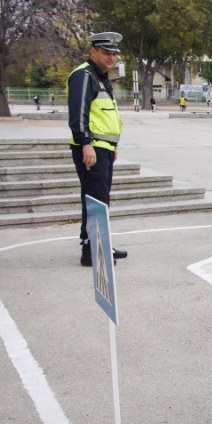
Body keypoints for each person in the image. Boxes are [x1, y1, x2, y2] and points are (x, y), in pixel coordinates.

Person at [67, 32, 127, 266]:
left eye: (114, 54)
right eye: (106, 52)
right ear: (93, 51)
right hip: (92, 148)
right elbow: (78, 114)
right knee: (96, 200)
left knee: (99, 199)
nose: (111, 57)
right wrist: (86, 144)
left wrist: (112, 146)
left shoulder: (100, 76)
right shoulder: (83, 75)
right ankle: (92, 250)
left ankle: (99, 244)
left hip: (104, 148)